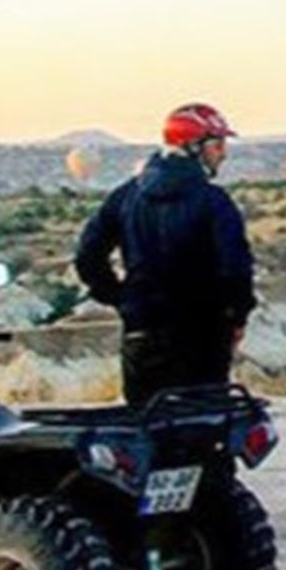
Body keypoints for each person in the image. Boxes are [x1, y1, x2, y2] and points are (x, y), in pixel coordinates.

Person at [74, 103, 256, 406]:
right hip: (203, 334)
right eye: (218, 144)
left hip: (143, 333)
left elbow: (87, 257)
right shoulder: (214, 201)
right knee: (204, 427)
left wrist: (122, 298)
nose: (223, 153)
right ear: (193, 147)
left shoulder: (125, 196)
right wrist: (237, 315)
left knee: (146, 430)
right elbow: (235, 268)